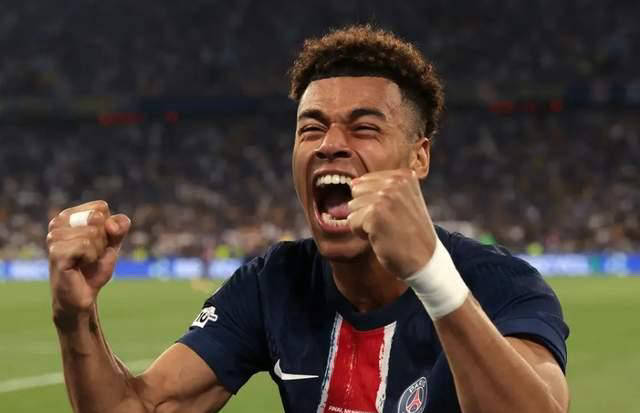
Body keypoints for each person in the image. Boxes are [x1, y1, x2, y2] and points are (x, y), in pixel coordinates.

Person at [47, 25, 569, 413]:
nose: (330, 145)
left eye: (364, 128)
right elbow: (140, 408)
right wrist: (75, 318)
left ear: (419, 157)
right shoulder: (274, 283)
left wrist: (432, 275)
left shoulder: (502, 285)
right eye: (311, 128)